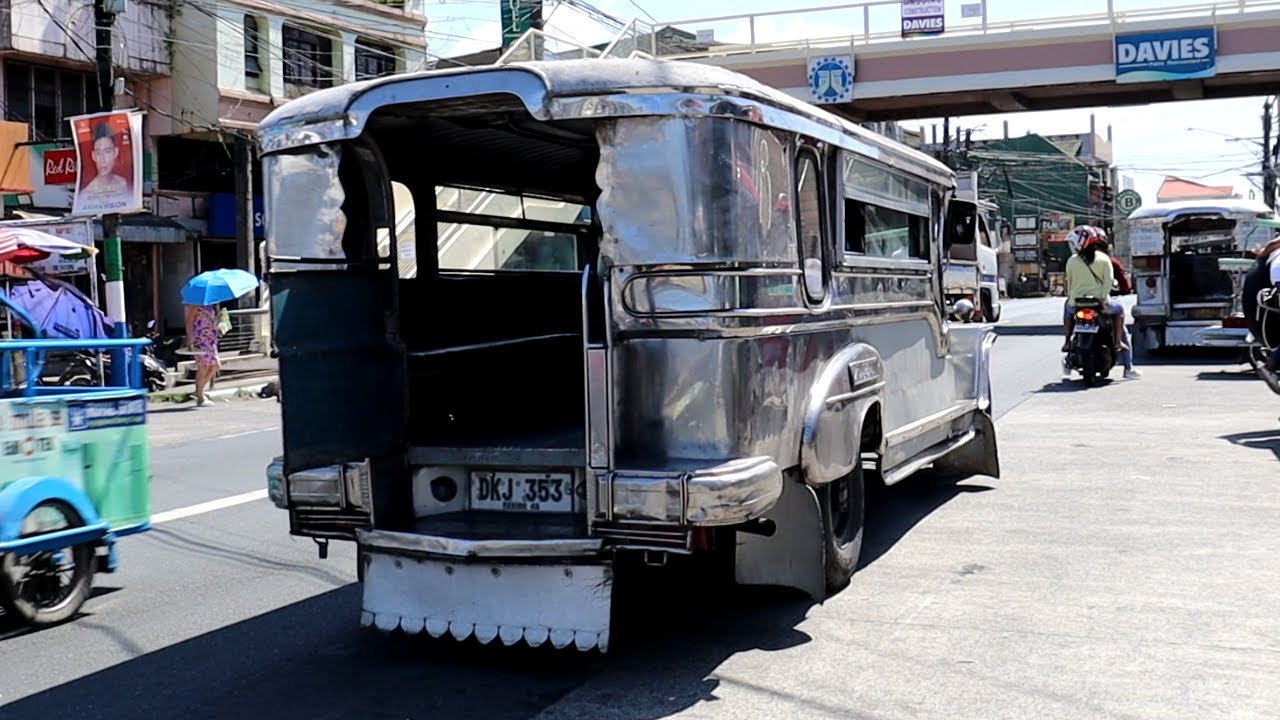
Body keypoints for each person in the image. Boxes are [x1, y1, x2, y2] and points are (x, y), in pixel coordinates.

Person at [1062, 226, 1142, 379]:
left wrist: (1073, 298)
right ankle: (1121, 350)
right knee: (1119, 311)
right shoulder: (1105, 259)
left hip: (1077, 303)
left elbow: (1070, 284)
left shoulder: (1072, 261)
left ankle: (1067, 340)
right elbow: (1108, 282)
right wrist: (1103, 300)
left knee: (1067, 309)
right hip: (1101, 303)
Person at [80, 121, 131, 200]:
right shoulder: (86, 194)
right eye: (98, 153)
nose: (102, 159)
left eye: (107, 151)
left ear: (115, 152)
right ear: (93, 156)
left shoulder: (122, 184)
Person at [184, 302, 221, 406]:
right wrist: (190, 339)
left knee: (216, 365)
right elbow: (189, 321)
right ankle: (200, 396)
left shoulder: (209, 305)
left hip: (210, 339)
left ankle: (198, 391)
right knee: (203, 367)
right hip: (200, 339)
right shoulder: (193, 304)